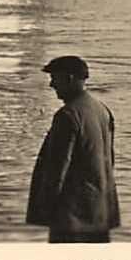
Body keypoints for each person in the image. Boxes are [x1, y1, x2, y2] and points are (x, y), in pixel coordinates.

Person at [26, 55, 120, 242]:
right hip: (101, 212)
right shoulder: (102, 110)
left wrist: (45, 209)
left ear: (69, 78)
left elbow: (57, 169)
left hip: (72, 217)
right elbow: (110, 160)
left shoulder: (67, 115)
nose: (52, 85)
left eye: (55, 78)